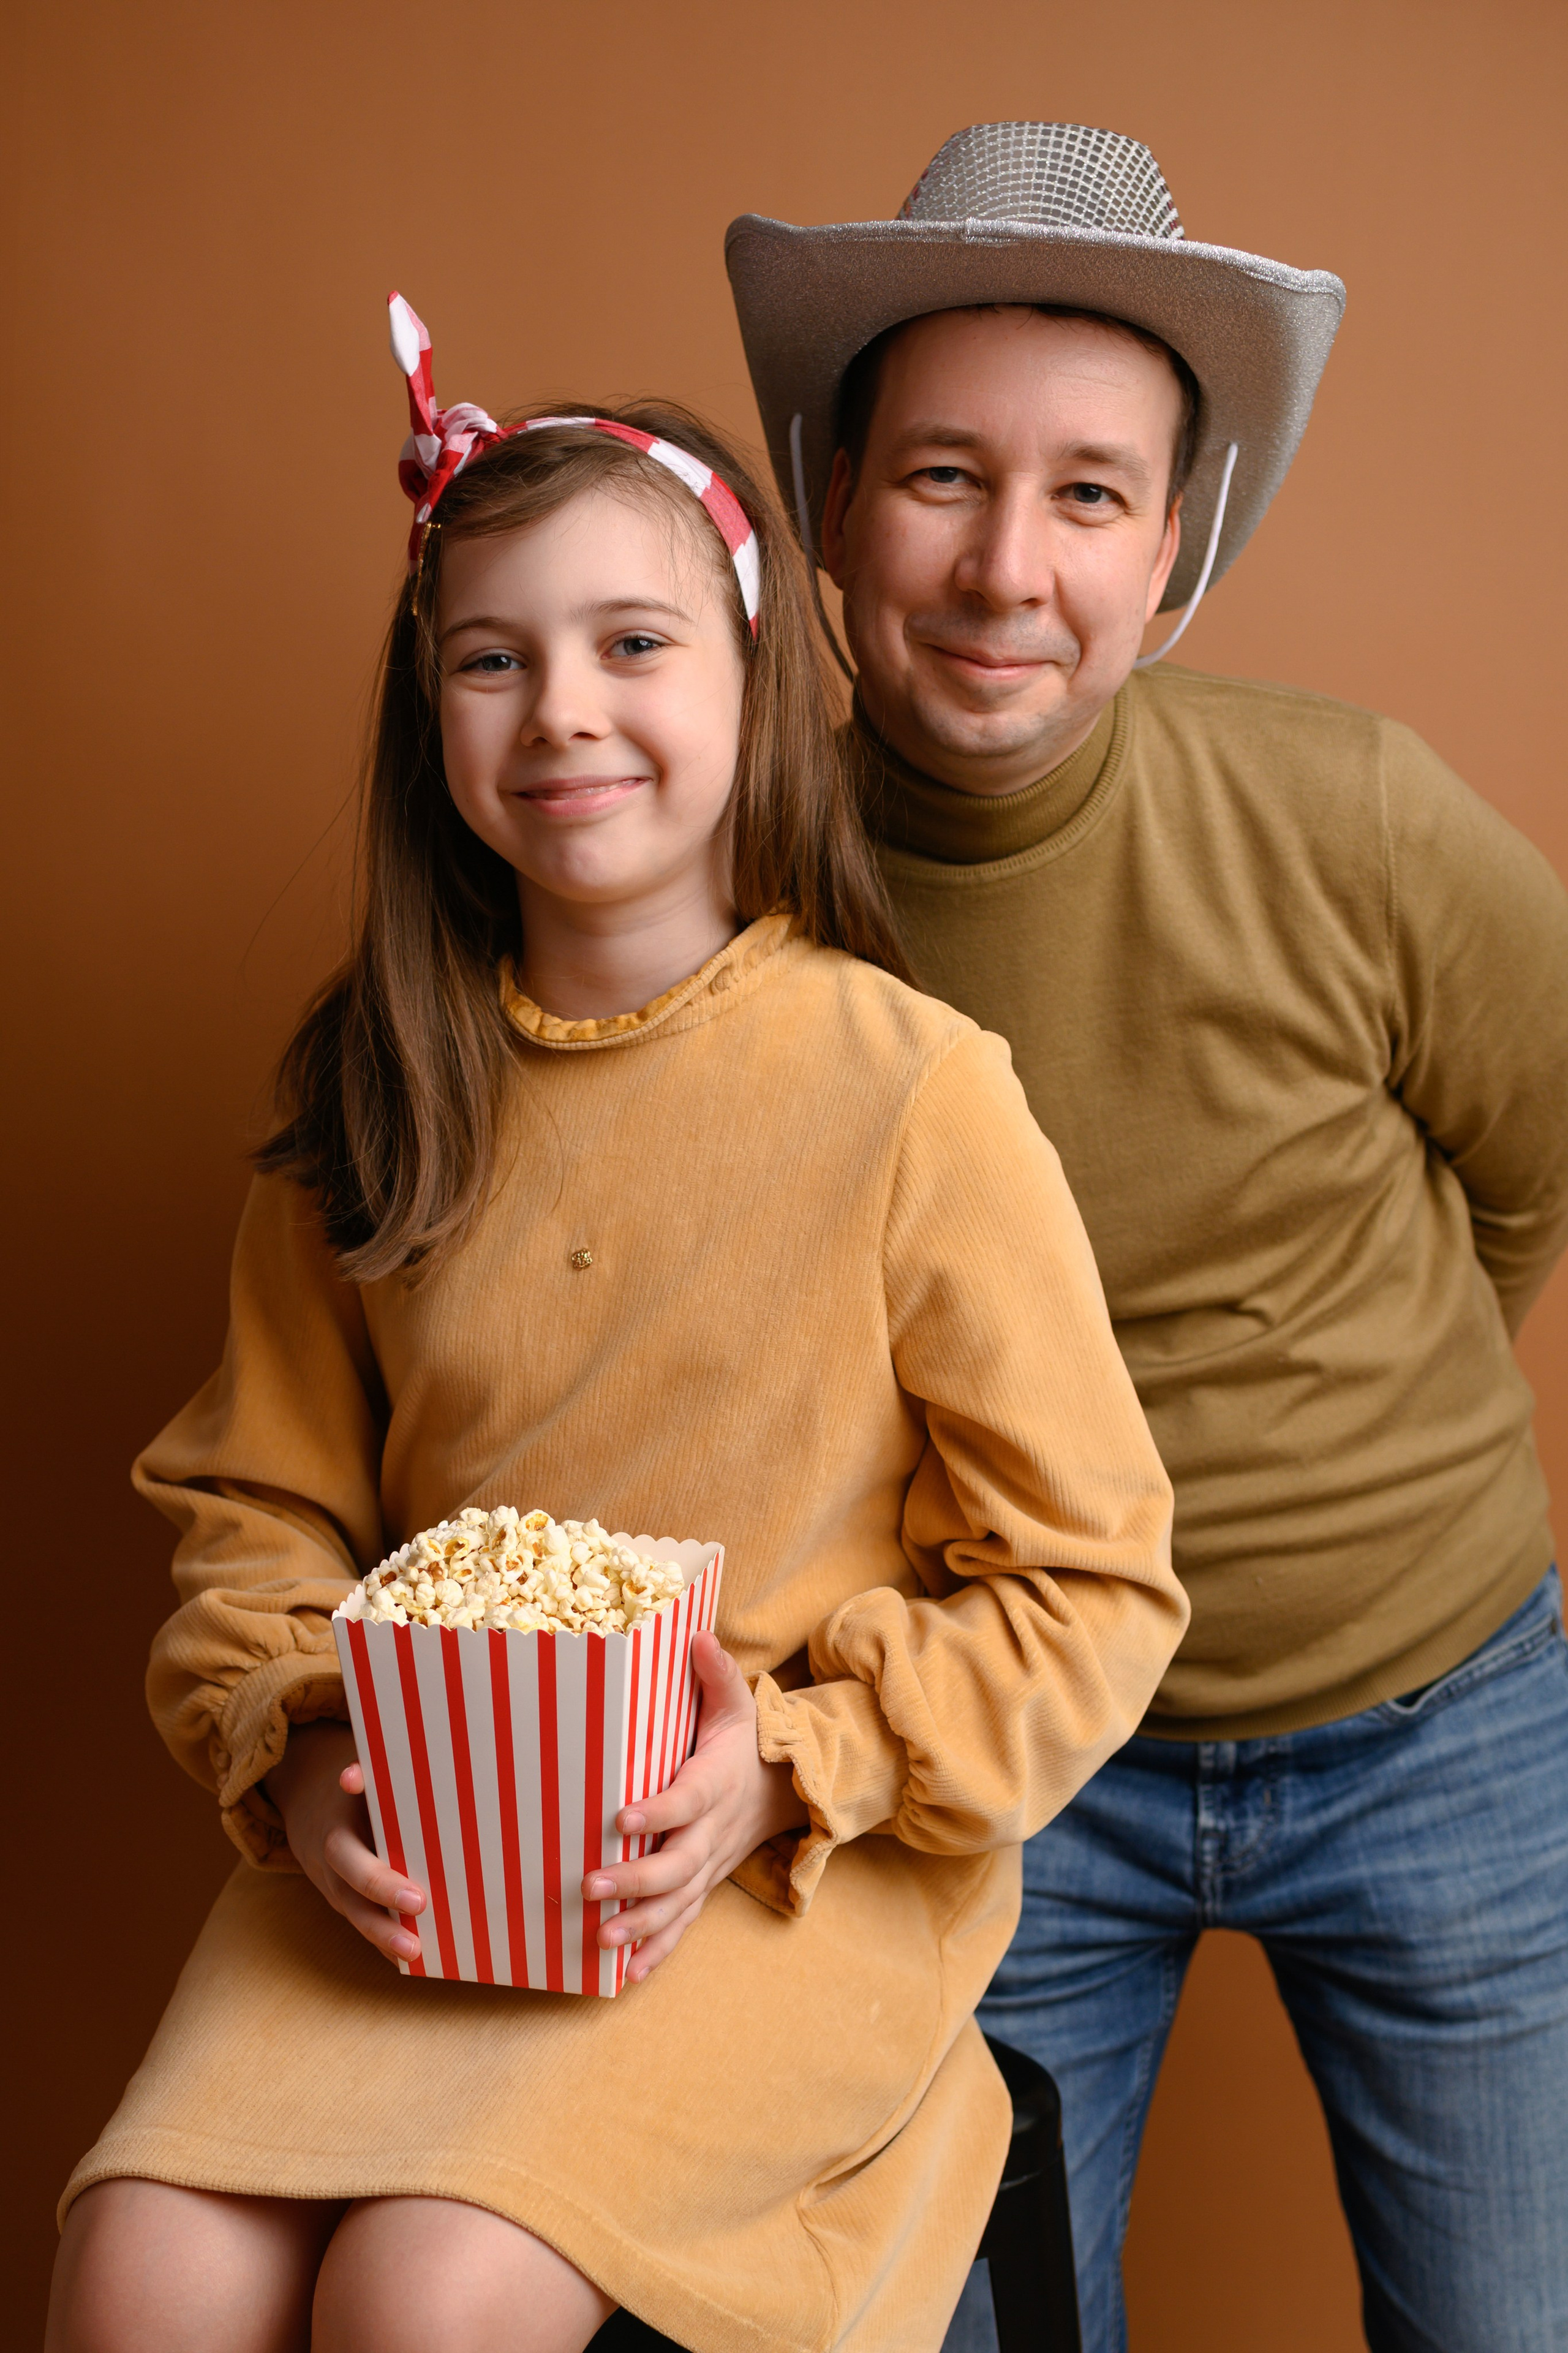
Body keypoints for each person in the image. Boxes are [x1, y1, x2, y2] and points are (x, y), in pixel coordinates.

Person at [47, 295, 1184, 2353]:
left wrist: (792, 1759)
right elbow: (255, 1517)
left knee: (432, 2285)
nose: (562, 707)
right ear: (433, 715)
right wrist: (297, 1758)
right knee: (141, 2267)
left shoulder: (912, 1092)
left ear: (754, 683)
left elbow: (1095, 1585)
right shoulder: (377, 1088)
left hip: (764, 1865)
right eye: (494, 658)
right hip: (405, 1867)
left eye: (632, 644)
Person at [727, 120, 1568, 2353]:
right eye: (941, 478)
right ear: (828, 501)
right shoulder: (737, 900)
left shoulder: (1351, 813)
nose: (1012, 566)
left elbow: (1535, 1146)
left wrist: (1354, 1432)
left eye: (1090, 491)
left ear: (1175, 548)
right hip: (1009, 1773)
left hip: (1438, 1725)